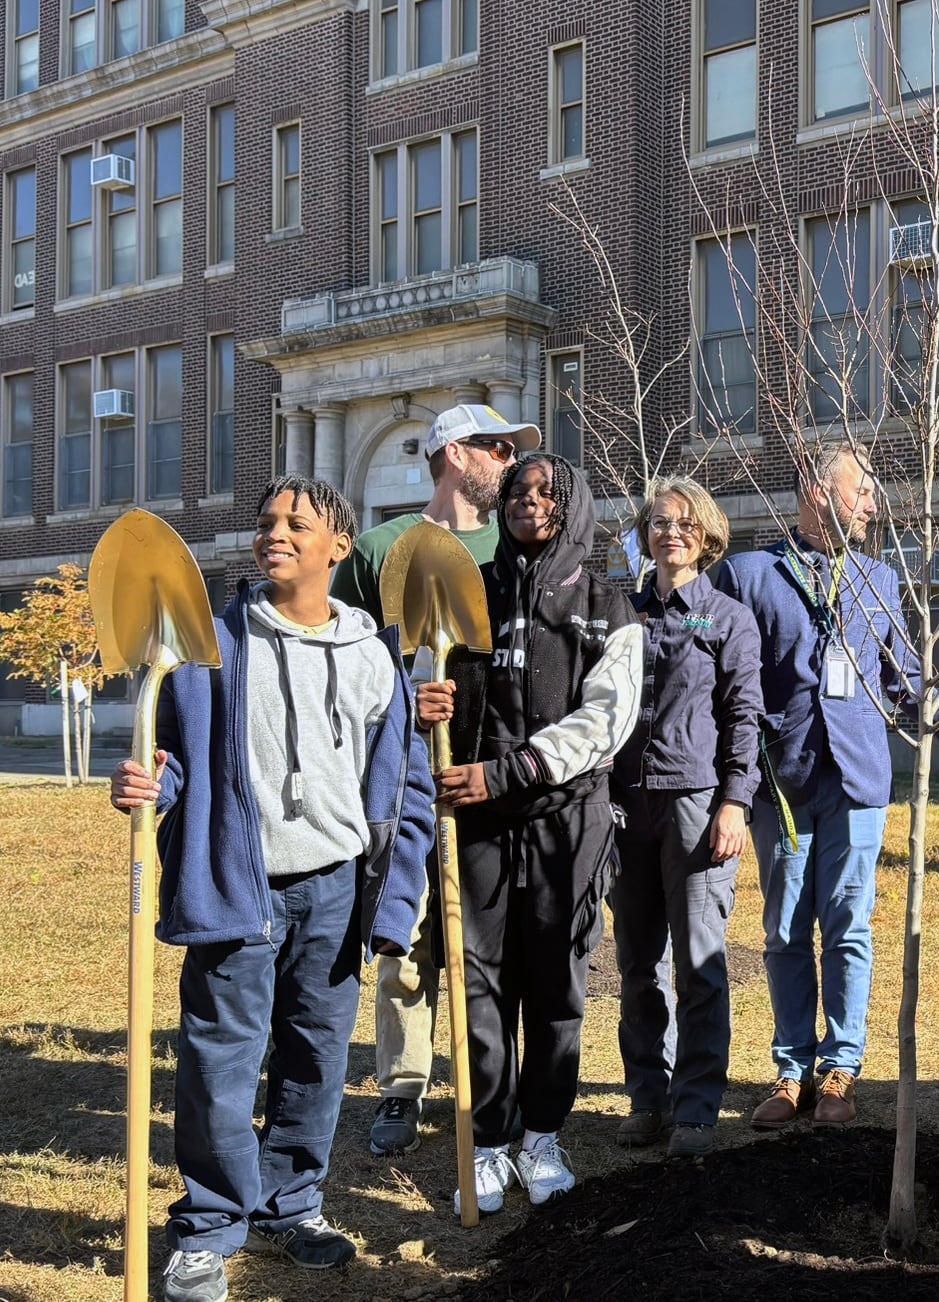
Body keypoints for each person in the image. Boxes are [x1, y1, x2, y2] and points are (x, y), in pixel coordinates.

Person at [110, 477, 435, 1302]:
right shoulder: (207, 646)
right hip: (236, 883)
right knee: (220, 1060)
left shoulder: (373, 655)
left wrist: (393, 904)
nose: (274, 534)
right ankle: (210, 1227)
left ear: (339, 546)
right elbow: (177, 755)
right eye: (265, 523)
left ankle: (291, 1206)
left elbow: (402, 790)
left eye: (297, 522)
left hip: (333, 888)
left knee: (316, 1060)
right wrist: (153, 783)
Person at [715, 443, 939, 1129]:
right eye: (864, 490)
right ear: (817, 492)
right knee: (786, 930)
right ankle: (790, 1071)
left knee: (847, 928)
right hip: (780, 785)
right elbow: (719, 678)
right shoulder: (747, 576)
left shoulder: (877, 579)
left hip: (856, 783)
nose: (874, 504)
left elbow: (904, 677)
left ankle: (840, 1071)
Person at [417, 452, 643, 1215]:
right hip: (477, 823)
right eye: (518, 490)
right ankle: (486, 1143)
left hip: (565, 821)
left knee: (554, 986)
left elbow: (605, 722)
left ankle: (542, 1135)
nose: (529, 501)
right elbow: (432, 672)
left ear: (573, 507)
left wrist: (509, 771)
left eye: (549, 491)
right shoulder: (466, 596)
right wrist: (431, 705)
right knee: (480, 981)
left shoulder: (610, 606)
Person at [329, 401, 539, 1159]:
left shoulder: (517, 548)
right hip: (405, 774)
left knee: (489, 936)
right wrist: (395, 694)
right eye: (495, 448)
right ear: (454, 454)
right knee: (406, 937)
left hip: (494, 768)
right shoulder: (384, 548)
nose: (507, 462)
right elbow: (342, 654)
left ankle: (490, 1081)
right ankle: (403, 1086)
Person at [609, 477, 762, 1158]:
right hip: (625, 805)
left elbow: (744, 719)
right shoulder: (621, 613)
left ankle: (696, 1108)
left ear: (706, 535)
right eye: (659, 523)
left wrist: (735, 802)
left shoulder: (726, 618)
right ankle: (649, 1097)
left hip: (697, 803)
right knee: (637, 962)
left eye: (684, 524)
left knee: (698, 962)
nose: (670, 533)